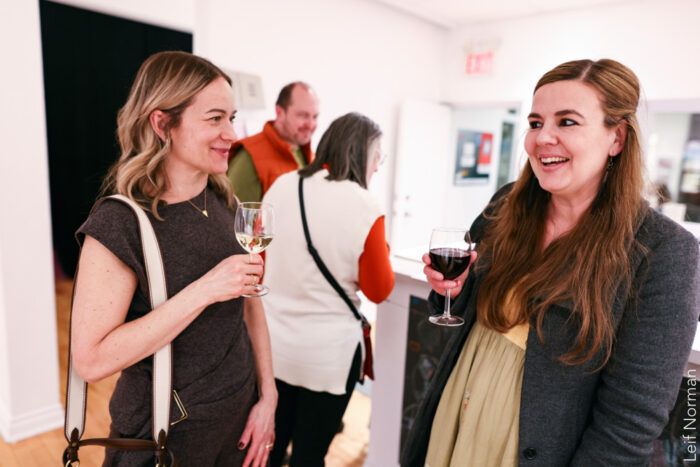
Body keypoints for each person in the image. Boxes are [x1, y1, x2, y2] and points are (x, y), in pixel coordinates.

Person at [401, 59, 700, 466]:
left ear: (616, 137)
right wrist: (449, 291)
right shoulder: (506, 204)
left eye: (567, 122)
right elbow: (464, 308)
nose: (543, 138)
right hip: (455, 411)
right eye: (536, 122)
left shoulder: (664, 251)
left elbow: (629, 424)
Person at [71, 51, 277, 466]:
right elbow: (91, 360)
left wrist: (268, 396)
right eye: (215, 118)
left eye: (232, 118)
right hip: (166, 436)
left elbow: (249, 304)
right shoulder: (120, 222)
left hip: (238, 421)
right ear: (162, 123)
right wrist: (205, 290)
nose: (231, 133)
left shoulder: (224, 200)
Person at [261, 112, 395, 466]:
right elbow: (379, 290)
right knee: (309, 456)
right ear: (362, 153)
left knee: (268, 450)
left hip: (272, 348)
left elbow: (259, 260)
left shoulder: (282, 185)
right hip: (327, 359)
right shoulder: (365, 206)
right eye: (378, 157)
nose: (377, 166)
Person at [227, 81, 319, 202]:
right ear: (279, 113)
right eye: (303, 115)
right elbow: (234, 213)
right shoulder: (249, 157)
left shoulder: (311, 157)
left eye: (315, 116)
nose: (310, 124)